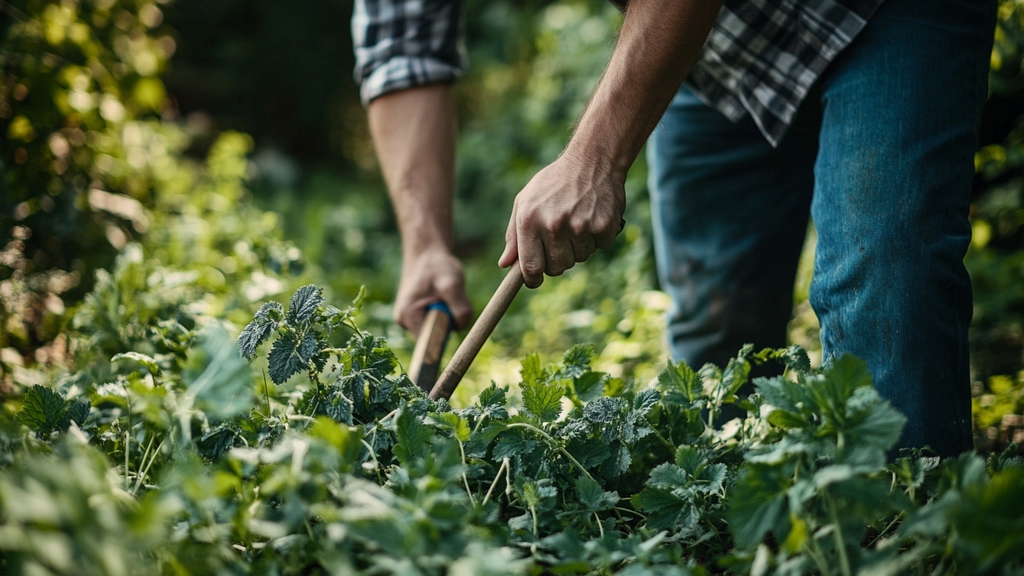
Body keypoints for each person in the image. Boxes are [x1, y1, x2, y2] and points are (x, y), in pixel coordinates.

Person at [351, 0, 997, 457]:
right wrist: (426, 245)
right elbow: (403, 39)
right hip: (713, 50)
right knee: (717, 334)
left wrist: (595, 156)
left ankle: (909, 535)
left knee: (884, 281)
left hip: (877, 10)